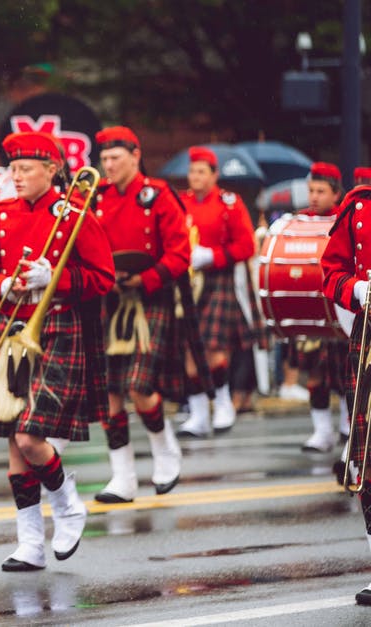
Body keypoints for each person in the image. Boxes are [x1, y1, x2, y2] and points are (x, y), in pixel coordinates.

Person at [0, 132, 114, 571]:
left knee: (31, 437)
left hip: (58, 325)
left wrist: (55, 278)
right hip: (14, 328)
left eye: (25, 168)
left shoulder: (73, 212)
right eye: (12, 168)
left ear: (51, 170)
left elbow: (102, 277)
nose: (16, 176)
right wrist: (2, 285)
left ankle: (68, 505)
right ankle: (29, 542)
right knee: (15, 444)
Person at [91, 126, 189, 502]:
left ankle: (165, 450)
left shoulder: (158, 195)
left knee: (139, 386)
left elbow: (180, 253)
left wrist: (145, 278)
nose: (109, 165)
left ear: (135, 155)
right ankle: (123, 476)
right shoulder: (96, 198)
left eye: (116, 158)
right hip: (111, 300)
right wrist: (106, 278)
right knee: (110, 395)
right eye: (104, 159)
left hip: (151, 298)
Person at [176, 146, 257, 438]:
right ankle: (198, 415)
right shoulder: (180, 202)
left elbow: (247, 246)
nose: (195, 177)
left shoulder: (229, 203)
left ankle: (223, 403)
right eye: (192, 171)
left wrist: (212, 255)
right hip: (187, 283)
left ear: (214, 175)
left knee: (214, 350)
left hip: (218, 278)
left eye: (201, 171)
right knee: (190, 350)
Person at [319, 184, 371, 605]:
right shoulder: (359, 205)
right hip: (369, 334)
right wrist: (354, 289)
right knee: (369, 454)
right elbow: (330, 272)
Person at [286, 162, 349, 452]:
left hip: (339, 310)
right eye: (311, 190)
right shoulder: (301, 222)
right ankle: (322, 432)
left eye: (321, 191)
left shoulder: (346, 220)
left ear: (336, 194)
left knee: (345, 373)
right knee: (314, 373)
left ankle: (348, 426)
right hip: (311, 310)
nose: (313, 197)